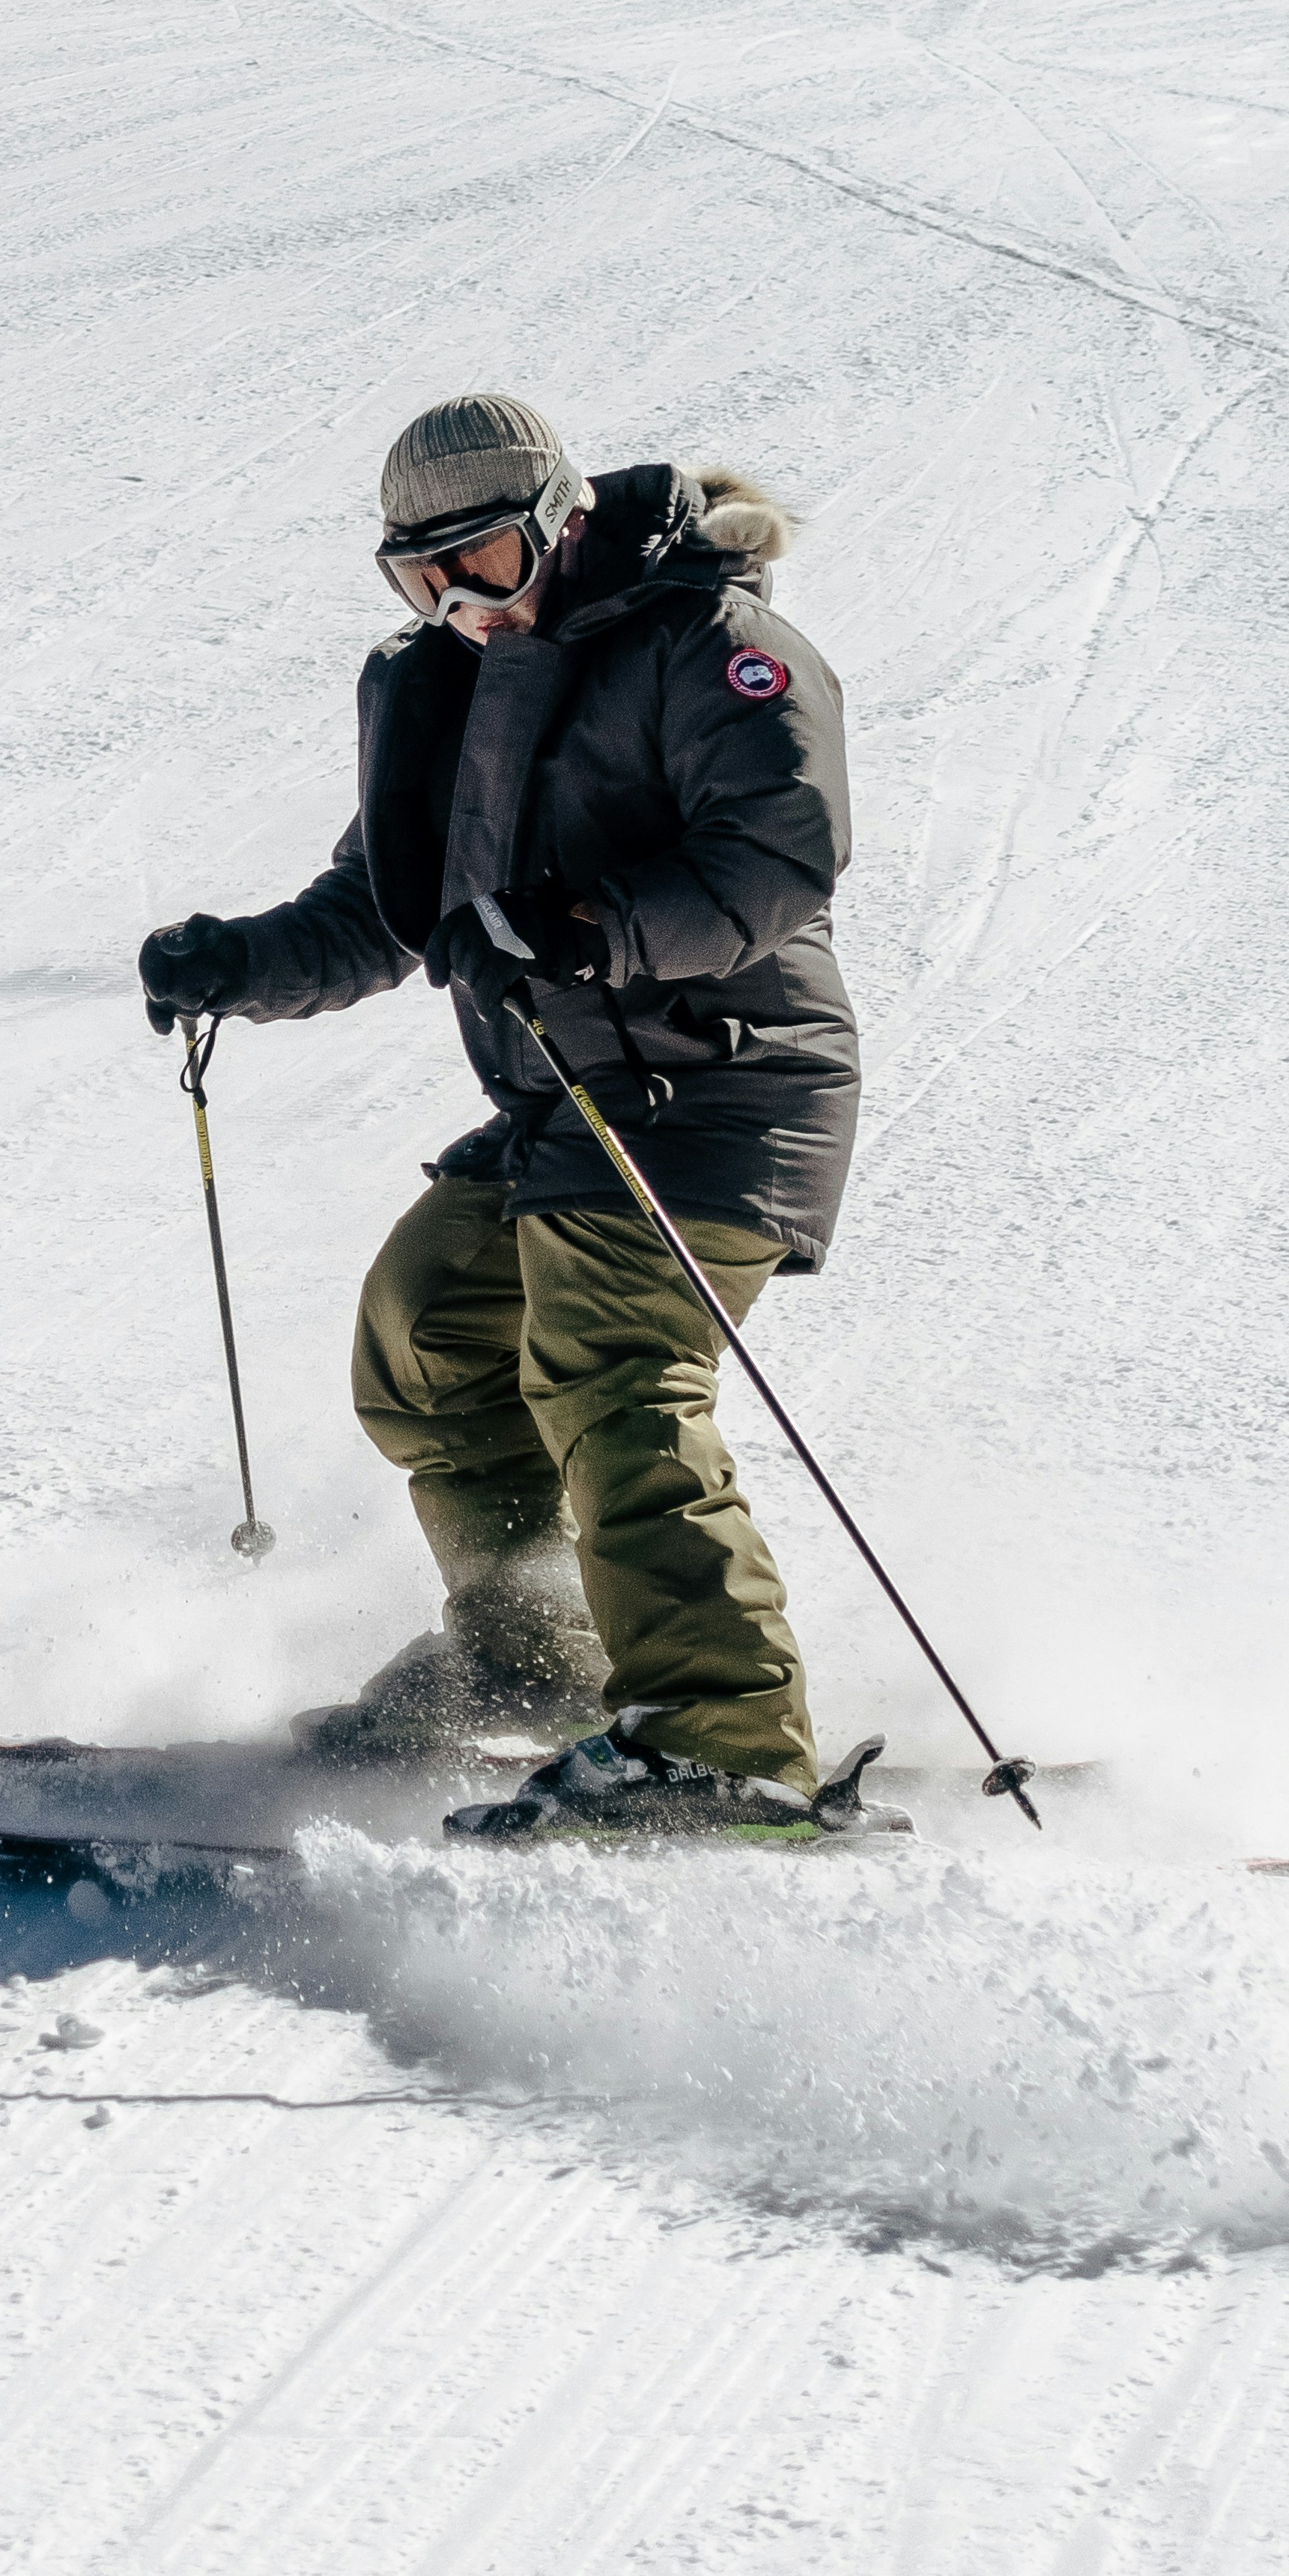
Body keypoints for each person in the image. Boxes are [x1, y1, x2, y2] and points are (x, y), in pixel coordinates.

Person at [139, 393, 903, 1843]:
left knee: (609, 1369)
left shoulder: (706, 644)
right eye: (418, 578)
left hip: (719, 1085)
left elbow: (774, 857)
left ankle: (720, 1739)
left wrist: (582, 929)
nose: (457, 604)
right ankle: (535, 1652)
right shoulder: (452, 685)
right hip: (568, 1098)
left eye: (480, 562)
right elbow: (384, 901)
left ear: (557, 520)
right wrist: (238, 962)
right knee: (426, 1336)